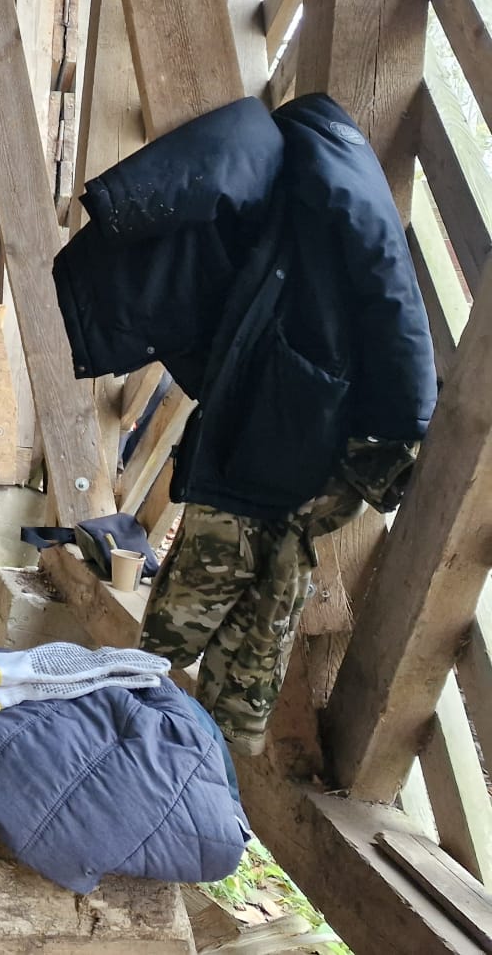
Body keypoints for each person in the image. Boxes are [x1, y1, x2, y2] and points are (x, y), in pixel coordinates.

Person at [54, 92, 434, 755]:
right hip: (299, 439)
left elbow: (391, 304)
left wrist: (400, 425)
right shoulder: (318, 183)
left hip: (283, 444)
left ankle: (160, 757)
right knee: (259, 613)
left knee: (190, 626)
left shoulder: (308, 173)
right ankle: (203, 759)